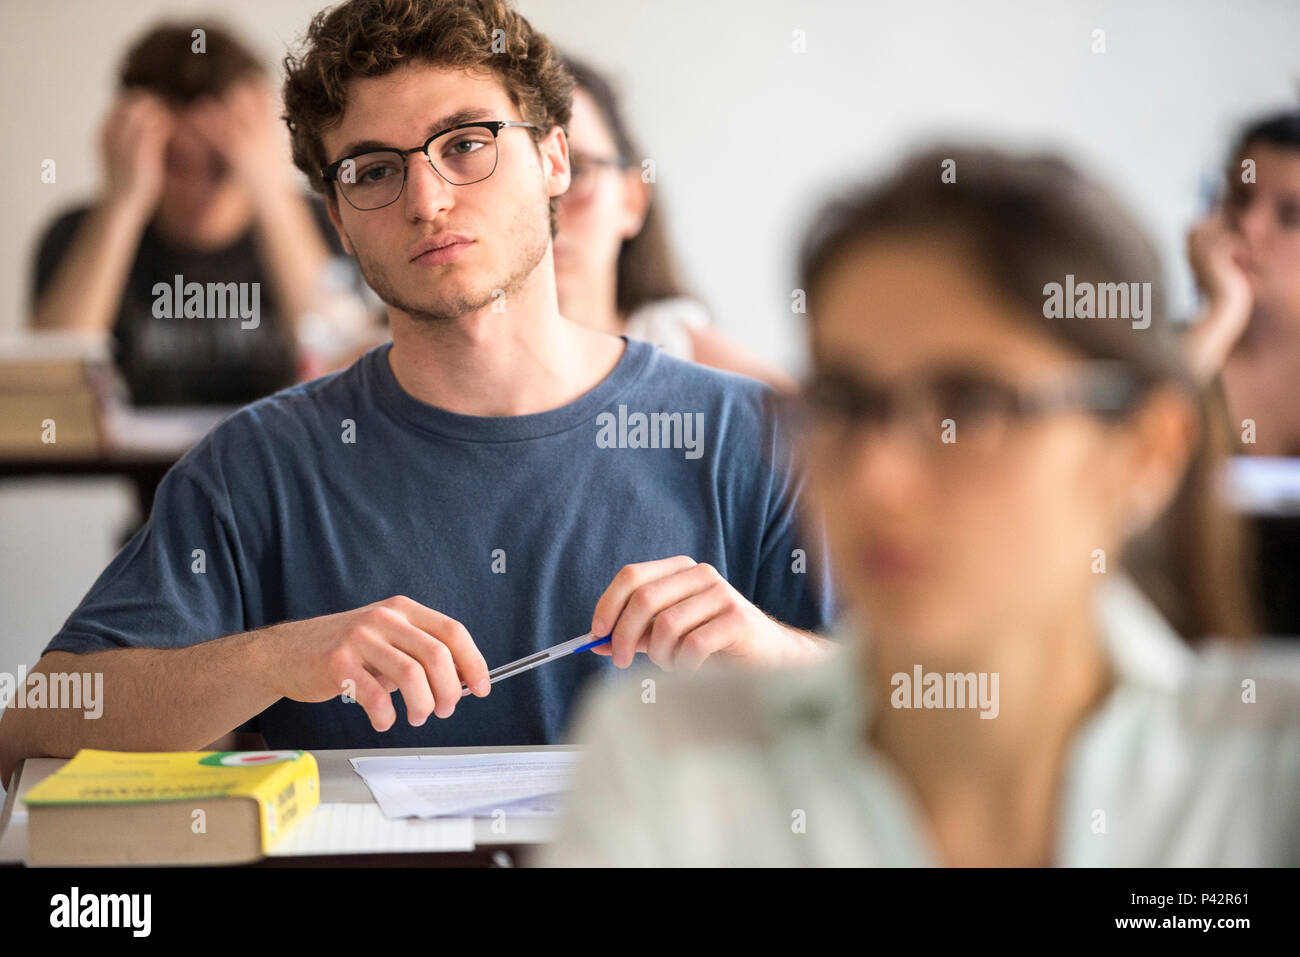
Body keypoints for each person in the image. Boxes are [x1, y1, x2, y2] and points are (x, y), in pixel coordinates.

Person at [0, 0, 836, 787]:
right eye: (372, 170)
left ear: (554, 158)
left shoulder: (749, 435)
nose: (428, 200)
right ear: (336, 216)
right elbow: (39, 715)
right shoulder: (258, 465)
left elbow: (923, 713)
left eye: (466, 142)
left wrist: (770, 651)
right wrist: (279, 657)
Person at [541, 147, 1300, 867]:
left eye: (968, 406)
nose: (877, 477)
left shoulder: (1264, 774)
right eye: (847, 402)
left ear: (1145, 450)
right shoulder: (671, 764)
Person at [30, 21, 379, 406]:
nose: (196, 189)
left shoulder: (322, 223)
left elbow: (347, 370)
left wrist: (270, 190)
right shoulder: (78, 233)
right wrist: (122, 202)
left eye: (218, 165)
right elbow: (48, 392)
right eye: (173, 162)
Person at [553, 56, 795, 391]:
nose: (545, 209)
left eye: (575, 170)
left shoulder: (678, 347)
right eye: (522, 176)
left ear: (631, 200)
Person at [1186, 109, 1300, 455]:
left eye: (1291, 215)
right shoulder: (1182, 352)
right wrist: (1222, 314)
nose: (1248, 224)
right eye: (1240, 197)